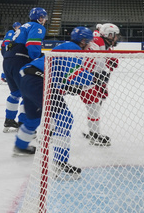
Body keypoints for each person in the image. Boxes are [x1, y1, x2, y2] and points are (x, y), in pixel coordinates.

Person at [12, 26, 94, 180]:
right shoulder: (73, 48)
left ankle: (20, 146)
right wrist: (93, 79)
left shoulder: (65, 46)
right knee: (65, 118)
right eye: (88, 42)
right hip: (38, 81)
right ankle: (60, 162)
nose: (89, 45)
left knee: (34, 119)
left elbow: (62, 75)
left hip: (27, 78)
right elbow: (74, 74)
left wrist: (68, 86)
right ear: (83, 41)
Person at [3, 8, 48, 133]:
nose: (44, 20)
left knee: (15, 93)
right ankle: (24, 123)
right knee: (27, 94)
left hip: (8, 60)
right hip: (20, 59)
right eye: (43, 17)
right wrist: (36, 58)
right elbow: (32, 44)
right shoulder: (37, 27)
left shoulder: (23, 26)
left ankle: (9, 120)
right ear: (40, 18)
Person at [80, 22, 120, 146]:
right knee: (94, 107)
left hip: (94, 78)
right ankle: (94, 135)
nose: (117, 38)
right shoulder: (97, 42)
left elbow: (104, 60)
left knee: (96, 105)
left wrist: (109, 61)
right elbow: (89, 61)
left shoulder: (103, 43)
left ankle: (93, 132)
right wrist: (96, 74)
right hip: (87, 78)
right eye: (115, 35)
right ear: (109, 34)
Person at [0, 21, 19, 86]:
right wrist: (8, 51)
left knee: (10, 63)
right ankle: (4, 76)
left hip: (7, 49)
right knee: (8, 63)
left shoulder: (16, 33)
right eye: (17, 27)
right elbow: (7, 42)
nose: (18, 28)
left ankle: (5, 76)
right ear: (14, 27)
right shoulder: (11, 32)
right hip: (5, 49)